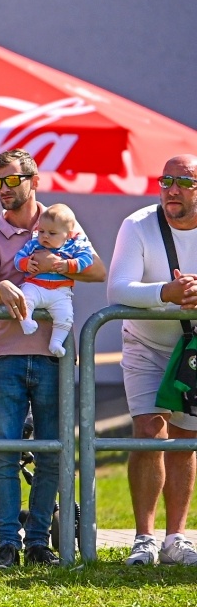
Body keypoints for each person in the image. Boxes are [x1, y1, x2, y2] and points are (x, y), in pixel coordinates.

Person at [0, 148, 106, 569]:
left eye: (12, 180)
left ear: (33, 179)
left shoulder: (60, 219)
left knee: (52, 454)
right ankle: (7, 544)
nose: (4, 190)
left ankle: (38, 542)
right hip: (7, 354)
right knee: (5, 454)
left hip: (56, 355)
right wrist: (4, 288)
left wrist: (59, 262)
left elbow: (98, 270)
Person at [105, 154, 197, 568]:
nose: (172, 189)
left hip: (193, 348)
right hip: (145, 343)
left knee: (183, 440)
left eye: (184, 182)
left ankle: (176, 538)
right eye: (166, 180)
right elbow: (117, 290)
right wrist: (167, 293)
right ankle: (143, 539)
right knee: (147, 431)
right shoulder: (138, 223)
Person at [13, 204, 95, 357]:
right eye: (41, 231)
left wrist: (68, 265)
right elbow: (18, 258)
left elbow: (87, 260)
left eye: (52, 233)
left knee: (65, 316)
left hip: (60, 292)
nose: (44, 236)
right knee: (26, 298)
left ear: (68, 235)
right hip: (35, 285)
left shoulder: (74, 246)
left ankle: (56, 342)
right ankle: (26, 321)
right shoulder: (33, 244)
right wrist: (26, 263)